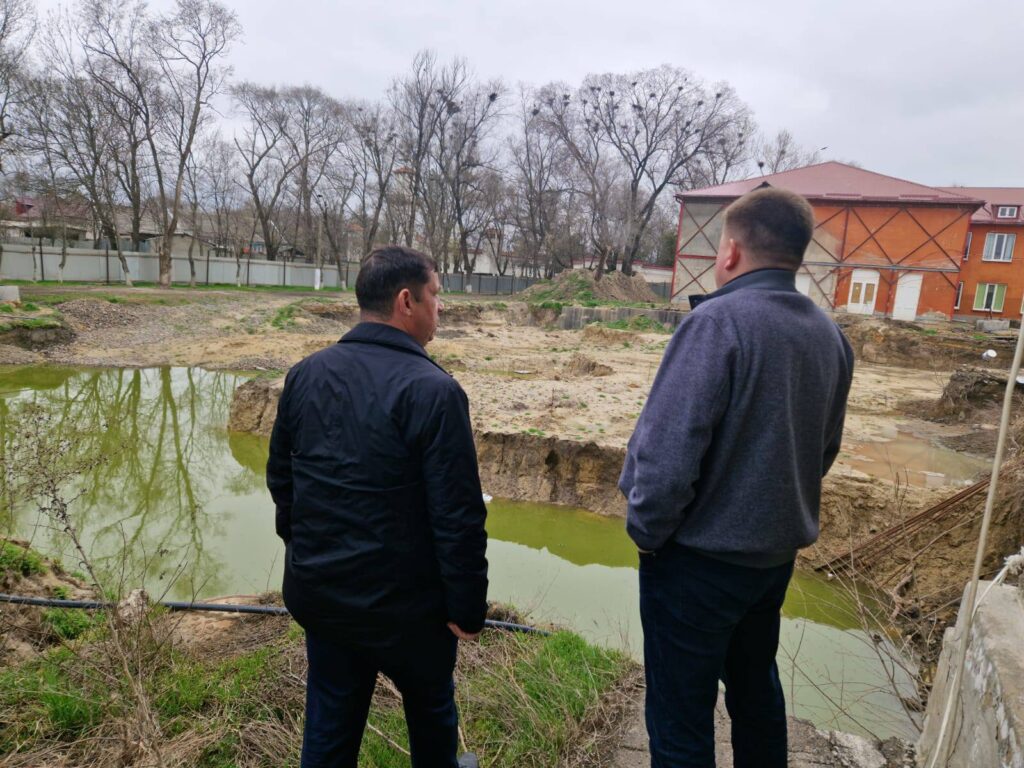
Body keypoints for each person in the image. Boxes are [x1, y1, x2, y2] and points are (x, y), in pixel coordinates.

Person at [619, 187, 854, 767]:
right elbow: (823, 452)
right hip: (771, 563)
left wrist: (647, 535)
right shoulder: (830, 336)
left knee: (680, 716)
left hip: (696, 566)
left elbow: (666, 459)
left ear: (729, 251)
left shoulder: (716, 323)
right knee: (755, 693)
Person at [267, 245, 488, 768]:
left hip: (324, 598)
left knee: (329, 725)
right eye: (436, 295)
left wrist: (307, 559)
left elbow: (282, 482)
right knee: (432, 718)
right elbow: (457, 516)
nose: (441, 308)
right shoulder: (435, 391)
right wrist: (466, 609)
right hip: (410, 614)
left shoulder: (305, 374)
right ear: (407, 301)